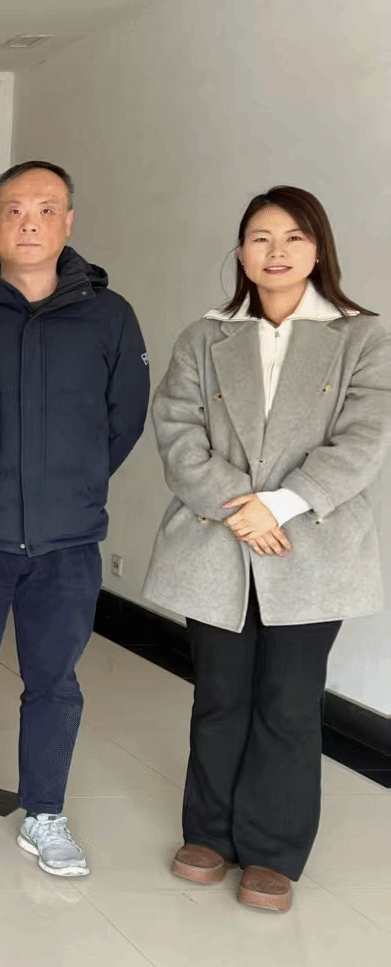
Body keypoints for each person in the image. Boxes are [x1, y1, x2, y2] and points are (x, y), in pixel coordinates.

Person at [145, 186, 388, 914]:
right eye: (260, 237)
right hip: (216, 543)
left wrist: (277, 505)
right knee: (220, 695)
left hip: (311, 546)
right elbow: (177, 431)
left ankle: (273, 850)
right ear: (242, 252)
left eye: (293, 238)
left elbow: (364, 441)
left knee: (289, 702)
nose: (276, 251)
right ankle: (209, 834)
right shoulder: (206, 336)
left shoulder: (361, 337)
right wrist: (241, 508)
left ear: (318, 250)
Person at [0, 161, 149, 878]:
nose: (30, 223)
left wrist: (72, 485)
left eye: (47, 209)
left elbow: (123, 419)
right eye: (16, 210)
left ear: (68, 222)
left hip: (67, 540)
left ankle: (45, 813)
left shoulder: (108, 315)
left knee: (55, 681)